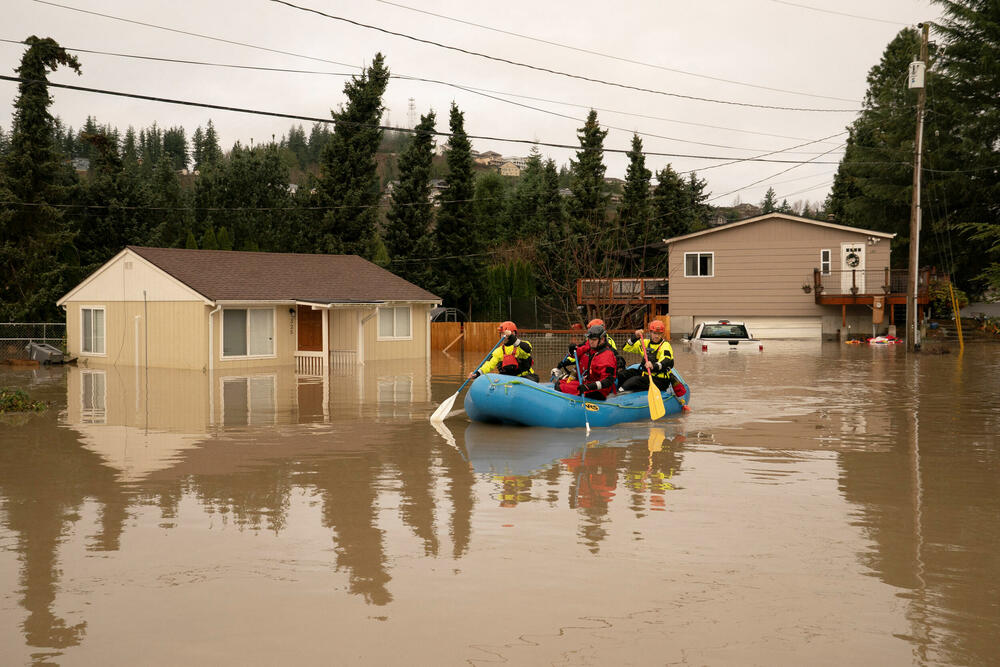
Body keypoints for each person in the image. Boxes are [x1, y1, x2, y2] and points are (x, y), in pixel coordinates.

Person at [619, 320, 686, 397]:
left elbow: (666, 361)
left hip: (659, 380)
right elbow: (625, 348)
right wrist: (635, 337)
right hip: (645, 374)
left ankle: (621, 393)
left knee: (633, 381)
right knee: (622, 375)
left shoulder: (665, 345)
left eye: (659, 334)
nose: (656, 336)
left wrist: (653, 365)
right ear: (650, 333)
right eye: (654, 333)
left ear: (662, 334)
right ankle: (618, 392)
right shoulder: (645, 343)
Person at [554, 324, 618, 400]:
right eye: (590, 339)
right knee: (560, 383)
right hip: (587, 383)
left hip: (599, 390)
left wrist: (589, 387)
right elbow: (577, 353)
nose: (591, 342)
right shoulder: (591, 348)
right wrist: (572, 350)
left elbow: (608, 381)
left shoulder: (607, 356)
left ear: (602, 339)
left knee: (561, 388)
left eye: (594, 340)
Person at [468, 321, 539, 383]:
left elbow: (527, 349)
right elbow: (489, 364)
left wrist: (512, 337)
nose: (503, 336)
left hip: (525, 378)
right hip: (508, 379)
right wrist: (477, 373)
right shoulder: (498, 351)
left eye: (504, 334)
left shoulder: (522, 345)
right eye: (501, 334)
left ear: (513, 333)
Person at [554, 318, 624, 378]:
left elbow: (610, 358)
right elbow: (581, 352)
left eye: (591, 329)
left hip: (598, 372)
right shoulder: (590, 341)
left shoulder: (606, 343)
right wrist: (567, 361)